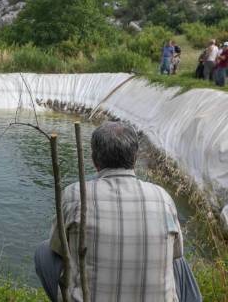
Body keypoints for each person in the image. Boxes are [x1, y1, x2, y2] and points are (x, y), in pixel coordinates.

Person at [35, 122, 202, 302]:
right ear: (135, 157)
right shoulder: (163, 197)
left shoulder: (75, 194)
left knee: (44, 251)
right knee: (178, 262)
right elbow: (176, 252)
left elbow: (58, 247)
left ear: (94, 159)